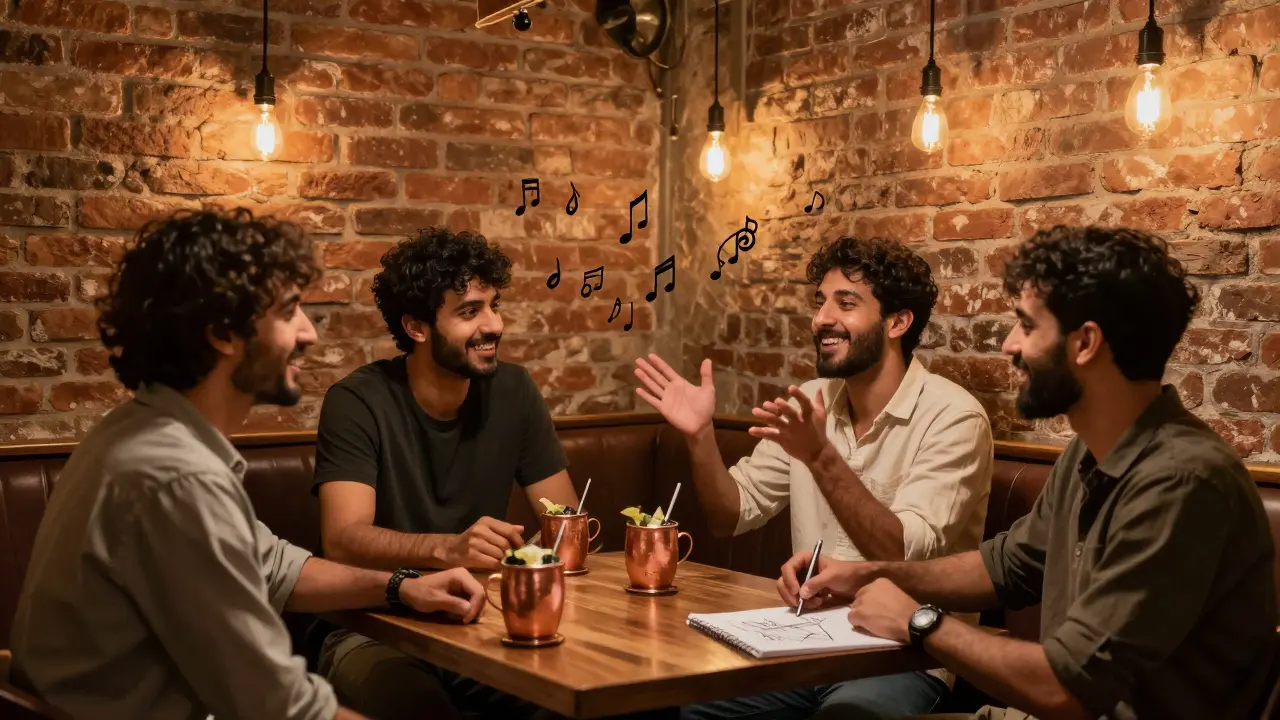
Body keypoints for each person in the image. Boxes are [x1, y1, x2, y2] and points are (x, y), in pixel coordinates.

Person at [780, 226, 1277, 720]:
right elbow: (1005, 568)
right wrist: (865, 574)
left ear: (1085, 343)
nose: (1009, 345)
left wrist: (917, 621)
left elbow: (1069, 688)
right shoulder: (1090, 453)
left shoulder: (1182, 481)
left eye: (1026, 325)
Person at [10, 209, 488, 720]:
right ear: (223, 332)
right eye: (288, 311)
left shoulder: (140, 431)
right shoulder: (175, 477)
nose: (309, 333)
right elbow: (277, 707)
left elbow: (272, 565)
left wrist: (401, 586)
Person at [635, 236, 995, 719]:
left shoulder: (953, 418)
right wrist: (700, 437)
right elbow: (730, 514)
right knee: (690, 706)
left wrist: (819, 454)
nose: (822, 318)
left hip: (903, 656)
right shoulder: (813, 398)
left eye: (846, 303)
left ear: (898, 321)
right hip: (805, 642)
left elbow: (903, 553)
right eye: (820, 301)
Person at [311, 227, 581, 719]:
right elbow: (343, 540)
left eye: (494, 305)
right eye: (469, 311)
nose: (493, 324)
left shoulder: (514, 390)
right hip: (376, 625)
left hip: (483, 620)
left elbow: (566, 522)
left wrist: (539, 565)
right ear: (416, 327)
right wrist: (446, 549)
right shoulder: (357, 401)